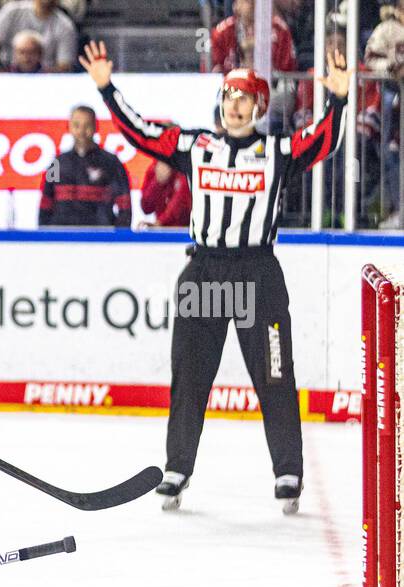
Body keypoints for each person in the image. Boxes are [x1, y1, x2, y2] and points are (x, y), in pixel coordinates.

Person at [80, 39, 349, 512]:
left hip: (257, 273)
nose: (234, 103)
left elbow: (322, 140)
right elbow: (141, 133)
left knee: (274, 375)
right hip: (204, 271)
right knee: (191, 376)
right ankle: (177, 468)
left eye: (244, 96)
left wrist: (339, 100)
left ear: (260, 106)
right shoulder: (196, 145)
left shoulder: (276, 151)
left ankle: (288, 472)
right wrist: (107, 89)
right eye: (228, 94)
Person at [37, 105, 131, 226]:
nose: (81, 131)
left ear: (96, 127)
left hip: (99, 239)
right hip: (61, 239)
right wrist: (45, 237)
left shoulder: (111, 163)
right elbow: (45, 204)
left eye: (87, 125)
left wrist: (118, 239)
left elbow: (125, 206)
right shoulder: (57, 163)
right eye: (76, 125)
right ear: (69, 127)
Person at [209, 0, 296, 74]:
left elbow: (288, 73)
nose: (252, 4)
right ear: (236, 6)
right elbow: (214, 72)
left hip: (272, 89)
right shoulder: (222, 32)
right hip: (232, 89)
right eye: (247, 0)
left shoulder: (280, 30)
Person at [0, 0, 77, 73]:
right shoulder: (12, 12)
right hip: (7, 73)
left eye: (32, 52)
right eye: (23, 52)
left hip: (45, 79)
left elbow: (65, 66)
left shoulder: (65, 25)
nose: (27, 57)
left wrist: (39, 76)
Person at [139, 160, 191, 227]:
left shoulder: (187, 165)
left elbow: (181, 200)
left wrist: (160, 222)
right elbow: (146, 207)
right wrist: (157, 183)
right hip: (163, 230)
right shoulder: (154, 167)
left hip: (187, 230)